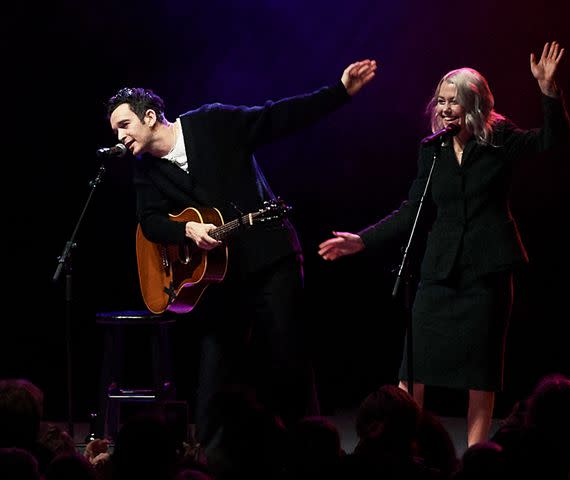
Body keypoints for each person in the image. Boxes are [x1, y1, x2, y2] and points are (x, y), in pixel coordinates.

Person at [105, 59, 377, 466]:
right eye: (114, 131)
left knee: (288, 357)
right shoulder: (146, 169)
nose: (120, 136)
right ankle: (209, 460)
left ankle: (314, 454)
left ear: (149, 117)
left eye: (124, 125)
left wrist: (338, 92)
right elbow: (150, 222)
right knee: (215, 367)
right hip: (220, 278)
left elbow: (277, 117)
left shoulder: (212, 123)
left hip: (269, 258)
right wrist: (186, 232)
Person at [318, 41, 570, 446]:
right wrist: (361, 241)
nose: (445, 108)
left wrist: (548, 91)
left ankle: (475, 459)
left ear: (474, 103)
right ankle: (401, 449)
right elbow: (412, 212)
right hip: (438, 273)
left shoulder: (500, 138)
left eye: (453, 101)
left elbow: (551, 141)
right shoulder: (431, 151)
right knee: (413, 368)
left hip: (487, 272)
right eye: (440, 101)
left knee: (480, 376)